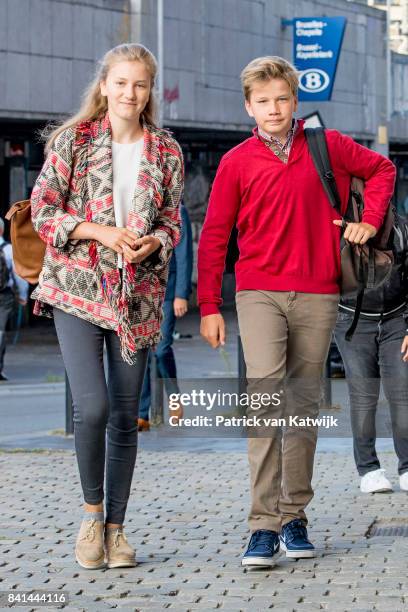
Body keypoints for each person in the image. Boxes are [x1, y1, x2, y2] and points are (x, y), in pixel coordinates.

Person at [197, 56, 396, 567]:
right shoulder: (237, 161)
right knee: (266, 397)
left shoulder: (325, 146)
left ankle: (294, 516)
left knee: (304, 404)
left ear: (294, 101)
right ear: (248, 106)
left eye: (282, 99)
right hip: (258, 291)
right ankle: (262, 525)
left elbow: (382, 169)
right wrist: (208, 305)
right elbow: (215, 236)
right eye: (262, 101)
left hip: (318, 292)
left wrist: (369, 222)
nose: (274, 109)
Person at [30, 43, 184, 570]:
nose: (129, 93)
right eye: (120, 82)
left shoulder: (166, 152)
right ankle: (91, 516)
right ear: (103, 86)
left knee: (124, 414)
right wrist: (97, 230)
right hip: (76, 290)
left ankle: (116, 531)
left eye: (139, 84)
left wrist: (154, 243)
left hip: (135, 301)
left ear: (149, 92)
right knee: (91, 407)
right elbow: (43, 212)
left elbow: (172, 223)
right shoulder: (73, 141)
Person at [334, 217, 408, 493]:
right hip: (352, 320)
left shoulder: (401, 228)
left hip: (396, 319)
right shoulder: (339, 226)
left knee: (401, 392)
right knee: (363, 395)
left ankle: (407, 466)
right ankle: (368, 469)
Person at [138, 202, 193, 431]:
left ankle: (174, 397)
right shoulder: (137, 206)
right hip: (140, 290)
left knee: (160, 349)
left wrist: (181, 294)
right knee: (140, 352)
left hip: (168, 292)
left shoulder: (178, 210)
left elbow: (184, 254)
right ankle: (142, 414)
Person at [0, 217, 28, 380]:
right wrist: (23, 296)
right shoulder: (9, 249)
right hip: (4, 296)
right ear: (2, 230)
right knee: (1, 331)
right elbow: (19, 275)